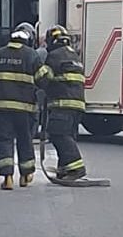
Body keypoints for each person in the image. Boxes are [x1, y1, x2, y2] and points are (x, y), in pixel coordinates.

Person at [0, 22, 48, 190]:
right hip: (24, 110)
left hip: (1, 109)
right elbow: (43, 80)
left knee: (5, 140)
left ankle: (7, 177)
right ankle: (25, 175)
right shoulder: (31, 56)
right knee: (25, 140)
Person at [37, 25, 87, 180]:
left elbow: (43, 79)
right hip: (77, 105)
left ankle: (77, 168)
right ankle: (64, 169)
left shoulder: (54, 56)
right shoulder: (74, 56)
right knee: (68, 135)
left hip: (62, 104)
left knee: (58, 135)